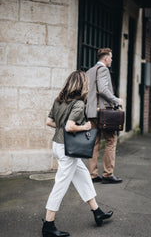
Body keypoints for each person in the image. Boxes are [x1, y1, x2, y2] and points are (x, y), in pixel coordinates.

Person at [42, 70, 113, 237]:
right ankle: (48, 225)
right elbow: (69, 127)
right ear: (83, 86)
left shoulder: (59, 100)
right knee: (60, 185)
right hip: (68, 150)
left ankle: (97, 212)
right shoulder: (79, 104)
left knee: (83, 177)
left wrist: (65, 126)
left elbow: (49, 121)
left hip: (58, 146)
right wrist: (85, 127)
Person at [86, 48, 123, 184]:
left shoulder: (89, 71)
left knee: (94, 143)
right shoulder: (103, 70)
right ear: (106, 58)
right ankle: (108, 174)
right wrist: (116, 100)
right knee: (111, 141)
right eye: (111, 58)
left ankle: (93, 175)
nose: (112, 60)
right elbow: (102, 89)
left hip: (91, 112)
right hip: (103, 113)